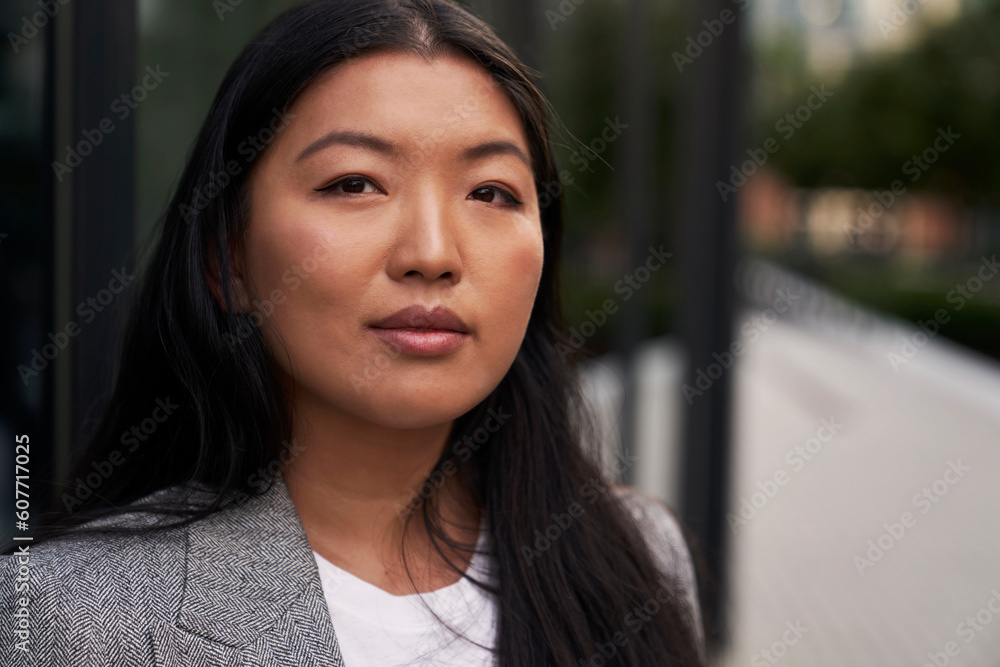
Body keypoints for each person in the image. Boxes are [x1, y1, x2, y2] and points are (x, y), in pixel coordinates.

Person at [1, 1, 706, 664]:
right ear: (230, 261)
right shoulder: (66, 614)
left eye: (491, 192)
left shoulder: (639, 556)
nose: (432, 253)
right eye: (354, 184)